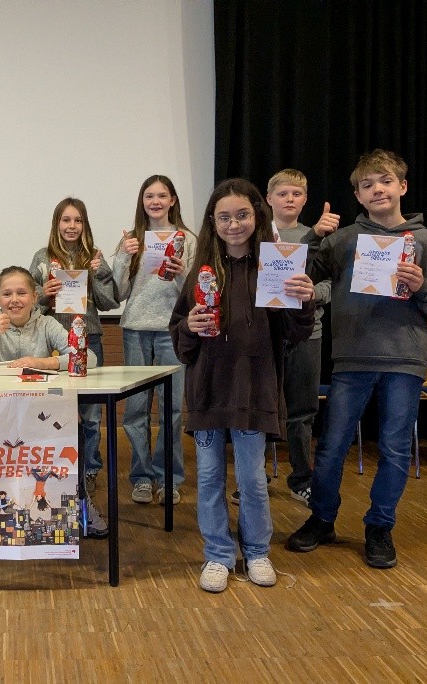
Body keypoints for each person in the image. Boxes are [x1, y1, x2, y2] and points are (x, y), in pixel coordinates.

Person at [287, 150, 427, 568]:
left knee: (396, 449)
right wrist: (313, 237)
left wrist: (421, 287)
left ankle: (380, 526)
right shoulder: (343, 240)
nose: (377, 189)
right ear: (358, 196)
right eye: (367, 185)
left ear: (402, 187)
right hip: (351, 359)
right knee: (331, 447)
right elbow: (293, 271)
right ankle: (322, 518)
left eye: (385, 181)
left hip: (405, 361)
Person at [170, 178, 315, 593]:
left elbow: (295, 333)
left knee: (251, 480)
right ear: (212, 223)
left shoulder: (275, 269)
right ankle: (218, 554)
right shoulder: (201, 274)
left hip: (254, 391)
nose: (233, 224)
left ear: (257, 215)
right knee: (210, 478)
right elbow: (181, 337)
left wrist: (304, 300)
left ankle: (257, 552)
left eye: (242, 215)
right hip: (208, 391)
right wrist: (189, 326)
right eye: (224, 217)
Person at [0, 266, 107, 540]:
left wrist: (43, 362)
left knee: (75, 431)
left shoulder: (47, 324)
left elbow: (88, 358)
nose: (14, 300)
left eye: (21, 293)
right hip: (0, 417)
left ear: (35, 297)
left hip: (41, 415)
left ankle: (81, 500)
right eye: (7, 294)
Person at [230, 169, 333, 508]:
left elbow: (330, 283)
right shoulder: (256, 234)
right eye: (283, 193)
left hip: (307, 334)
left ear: (305, 199)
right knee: (259, 408)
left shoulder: (319, 236)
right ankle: (253, 479)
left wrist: (311, 293)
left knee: (302, 411)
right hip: (263, 334)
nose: (290, 199)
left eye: (297, 194)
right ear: (268, 199)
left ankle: (301, 479)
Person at [113, 175, 196, 505]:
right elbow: (119, 292)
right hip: (135, 329)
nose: (156, 201)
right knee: (135, 409)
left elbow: (195, 293)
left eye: (162, 195)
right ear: (142, 201)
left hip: (172, 330)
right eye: (149, 196)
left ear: (173, 200)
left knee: (172, 409)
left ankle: (169, 479)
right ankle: (141, 477)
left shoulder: (188, 239)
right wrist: (123, 257)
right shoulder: (131, 239)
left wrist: (181, 272)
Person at [29, 198, 118, 494]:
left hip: (89, 338)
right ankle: (57, 467)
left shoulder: (94, 256)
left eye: (78, 220)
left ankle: (90, 468)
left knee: (91, 413)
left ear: (84, 224)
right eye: (66, 220)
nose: (72, 226)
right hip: (52, 341)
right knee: (53, 409)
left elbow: (109, 302)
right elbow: (29, 302)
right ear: (57, 223)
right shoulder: (42, 257)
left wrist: (98, 274)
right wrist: (44, 292)